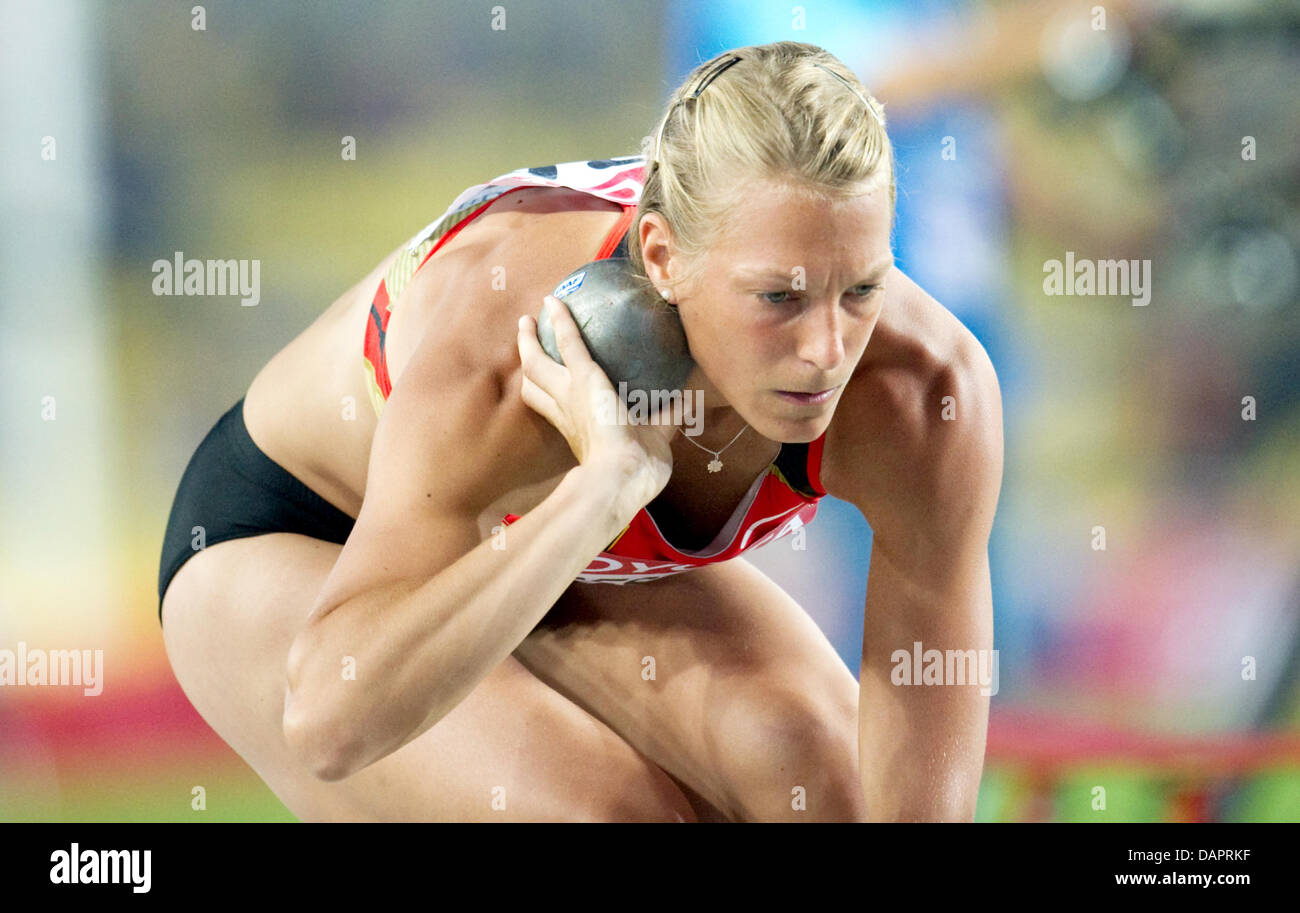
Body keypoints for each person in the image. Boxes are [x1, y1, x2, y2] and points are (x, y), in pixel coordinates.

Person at [157, 40, 1003, 822]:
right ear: (665, 260)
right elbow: (333, 719)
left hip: (557, 554)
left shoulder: (923, 390)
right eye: (778, 298)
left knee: (825, 788)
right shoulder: (508, 330)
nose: (826, 353)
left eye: (861, 289)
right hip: (300, 538)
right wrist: (600, 491)